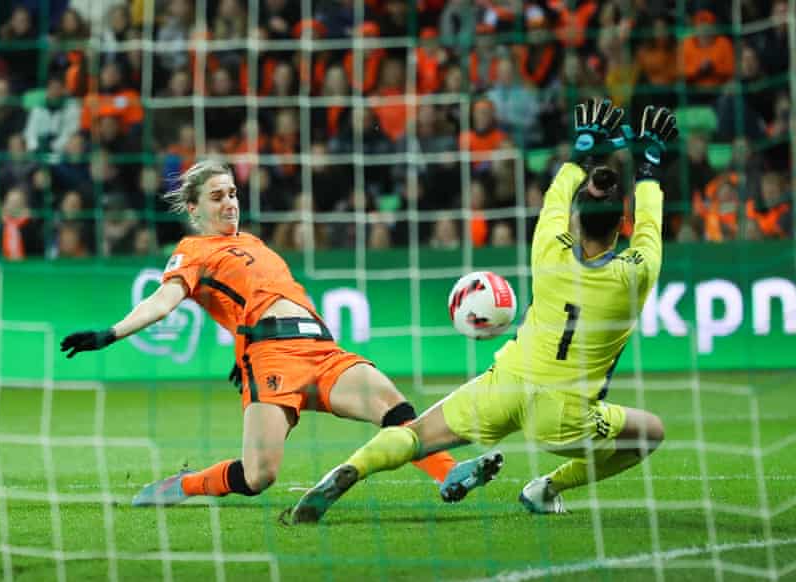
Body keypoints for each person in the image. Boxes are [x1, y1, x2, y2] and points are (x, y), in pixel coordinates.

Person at [289, 99, 677, 522]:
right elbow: (650, 227)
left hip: (506, 383)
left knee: (414, 435)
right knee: (650, 431)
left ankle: (352, 468)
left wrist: (582, 150)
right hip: (564, 414)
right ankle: (547, 487)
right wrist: (650, 164)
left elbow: (555, 197)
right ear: (623, 222)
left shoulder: (548, 247)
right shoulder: (635, 274)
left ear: (575, 220)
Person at [59, 161, 496, 507]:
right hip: (272, 359)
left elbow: (244, 301)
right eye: (217, 197)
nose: (230, 203)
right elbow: (163, 300)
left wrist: (239, 345)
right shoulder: (191, 252)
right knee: (259, 476)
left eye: (232, 193)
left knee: (393, 404)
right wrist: (110, 333)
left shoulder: (254, 242)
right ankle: (188, 484)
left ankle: (449, 473)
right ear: (193, 209)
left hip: (321, 349)